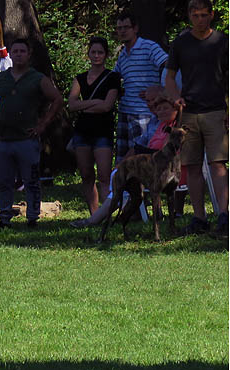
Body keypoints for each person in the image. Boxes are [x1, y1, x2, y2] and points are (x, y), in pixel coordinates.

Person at [165, 0, 229, 235]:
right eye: (195, 15)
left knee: (218, 164)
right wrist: (175, 97)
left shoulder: (223, 41)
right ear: (189, 16)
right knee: (191, 166)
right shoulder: (181, 42)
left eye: (204, 15)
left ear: (212, 15)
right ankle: (199, 218)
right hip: (189, 112)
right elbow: (169, 77)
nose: (200, 19)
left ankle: (224, 215)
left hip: (215, 110)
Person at [71, 94, 181, 228]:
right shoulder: (156, 123)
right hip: (147, 164)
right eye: (159, 109)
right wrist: (121, 163)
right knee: (119, 174)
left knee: (125, 180)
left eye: (166, 108)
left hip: (163, 169)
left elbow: (166, 152)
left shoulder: (175, 129)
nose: (162, 111)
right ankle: (120, 215)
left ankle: (96, 220)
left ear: (176, 109)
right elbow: (138, 145)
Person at [0, 38, 63, 228]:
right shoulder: (1, 78)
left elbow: (57, 99)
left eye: (22, 51)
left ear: (29, 54)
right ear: (11, 54)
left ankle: (32, 216)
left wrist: (43, 124)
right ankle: (5, 217)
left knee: (31, 180)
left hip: (27, 138)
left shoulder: (37, 78)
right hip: (4, 138)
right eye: (15, 51)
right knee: (4, 182)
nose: (18, 55)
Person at [68, 36, 121, 215]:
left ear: (105, 55)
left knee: (105, 176)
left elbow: (108, 105)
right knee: (86, 175)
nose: (96, 56)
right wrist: (95, 103)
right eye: (93, 52)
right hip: (82, 132)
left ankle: (108, 213)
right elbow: (72, 104)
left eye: (100, 52)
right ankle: (94, 213)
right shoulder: (80, 78)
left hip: (103, 132)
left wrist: (86, 105)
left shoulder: (112, 77)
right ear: (88, 54)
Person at [114, 12, 169, 163]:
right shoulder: (123, 54)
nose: (123, 31)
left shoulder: (149, 46)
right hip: (125, 112)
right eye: (119, 28)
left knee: (142, 160)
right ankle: (123, 187)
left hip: (144, 113)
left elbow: (169, 65)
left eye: (126, 27)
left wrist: (161, 89)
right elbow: (113, 78)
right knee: (123, 161)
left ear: (135, 28)